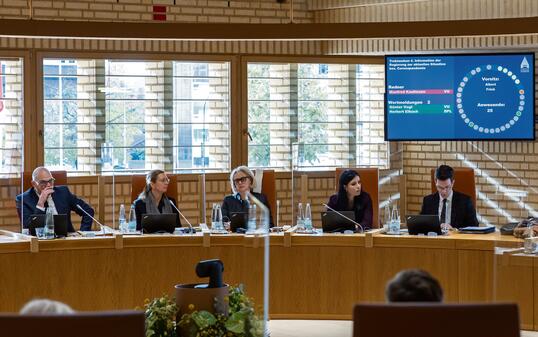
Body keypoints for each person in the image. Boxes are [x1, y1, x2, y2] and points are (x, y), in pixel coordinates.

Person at [15, 167, 94, 232]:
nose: (48, 185)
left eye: (50, 181)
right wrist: (40, 203)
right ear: (34, 184)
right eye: (43, 182)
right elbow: (28, 227)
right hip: (40, 244)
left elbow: (88, 211)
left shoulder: (63, 192)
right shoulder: (23, 199)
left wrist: (84, 233)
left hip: (66, 240)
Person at [420, 164, 478, 230]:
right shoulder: (428, 201)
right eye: (440, 187)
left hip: (456, 239)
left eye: (447, 187)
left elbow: (474, 227)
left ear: (453, 183)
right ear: (435, 182)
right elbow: (421, 225)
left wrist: (455, 230)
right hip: (435, 239)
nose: (444, 191)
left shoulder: (465, 202)